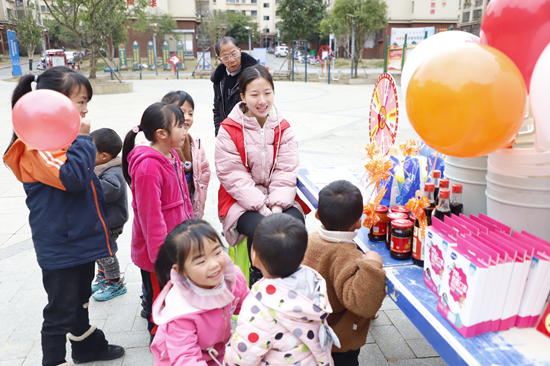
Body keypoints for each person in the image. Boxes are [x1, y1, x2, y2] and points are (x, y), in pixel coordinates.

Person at [3, 66, 124, 366]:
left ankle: (86, 348)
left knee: (80, 298)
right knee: (59, 311)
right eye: (78, 102)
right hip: (61, 245)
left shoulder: (63, 140)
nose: (84, 110)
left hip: (80, 239)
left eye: (85, 103)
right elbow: (73, 179)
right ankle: (53, 360)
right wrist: (85, 140)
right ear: (51, 102)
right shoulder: (36, 147)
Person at [215, 64, 309, 286]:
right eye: (254, 94)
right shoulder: (228, 130)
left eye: (267, 93)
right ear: (242, 96)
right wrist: (263, 209)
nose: (262, 100)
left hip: (279, 195)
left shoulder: (282, 127)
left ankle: (290, 279)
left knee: (293, 225)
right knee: (262, 230)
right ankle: (257, 279)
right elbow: (233, 175)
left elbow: (286, 169)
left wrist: (276, 207)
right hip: (241, 200)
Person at [225, 214, 339, 365]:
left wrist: (226, 353)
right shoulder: (312, 279)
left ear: (255, 255)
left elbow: (242, 358)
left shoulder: (259, 306)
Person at [122, 102, 194, 340]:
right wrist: (160, 259)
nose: (185, 130)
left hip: (177, 246)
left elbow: (184, 199)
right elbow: (150, 217)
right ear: (161, 134)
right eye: (180, 126)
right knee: (159, 299)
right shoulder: (148, 168)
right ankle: (159, 340)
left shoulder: (171, 155)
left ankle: (176, 333)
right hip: (159, 255)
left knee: (175, 295)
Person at [302, 180, 386, 366]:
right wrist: (372, 265)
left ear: (317, 215)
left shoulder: (309, 240)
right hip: (337, 344)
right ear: (358, 222)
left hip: (308, 333)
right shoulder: (349, 257)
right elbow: (364, 305)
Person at [150, 219, 249, 365]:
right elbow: (185, 357)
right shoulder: (180, 311)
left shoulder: (232, 278)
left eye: (217, 252)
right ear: (181, 270)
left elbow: (251, 310)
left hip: (218, 354)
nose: (214, 264)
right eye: (201, 261)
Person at [89, 128, 129, 301]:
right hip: (101, 222)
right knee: (98, 250)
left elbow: (107, 191)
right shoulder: (102, 166)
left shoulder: (113, 172)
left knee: (105, 252)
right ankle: (103, 275)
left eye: (90, 150)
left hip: (110, 223)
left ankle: (115, 282)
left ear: (104, 156)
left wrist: (88, 179)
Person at [161, 91, 211, 219]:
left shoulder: (195, 143)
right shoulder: (161, 145)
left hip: (188, 204)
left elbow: (204, 171)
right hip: (168, 209)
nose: (187, 117)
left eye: (191, 113)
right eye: (182, 112)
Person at [211, 36, 258, 136]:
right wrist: (219, 133)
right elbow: (217, 109)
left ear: (240, 51)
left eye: (234, 54)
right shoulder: (218, 80)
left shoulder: (254, 76)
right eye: (226, 57)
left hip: (249, 135)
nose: (232, 60)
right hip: (227, 134)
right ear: (220, 60)